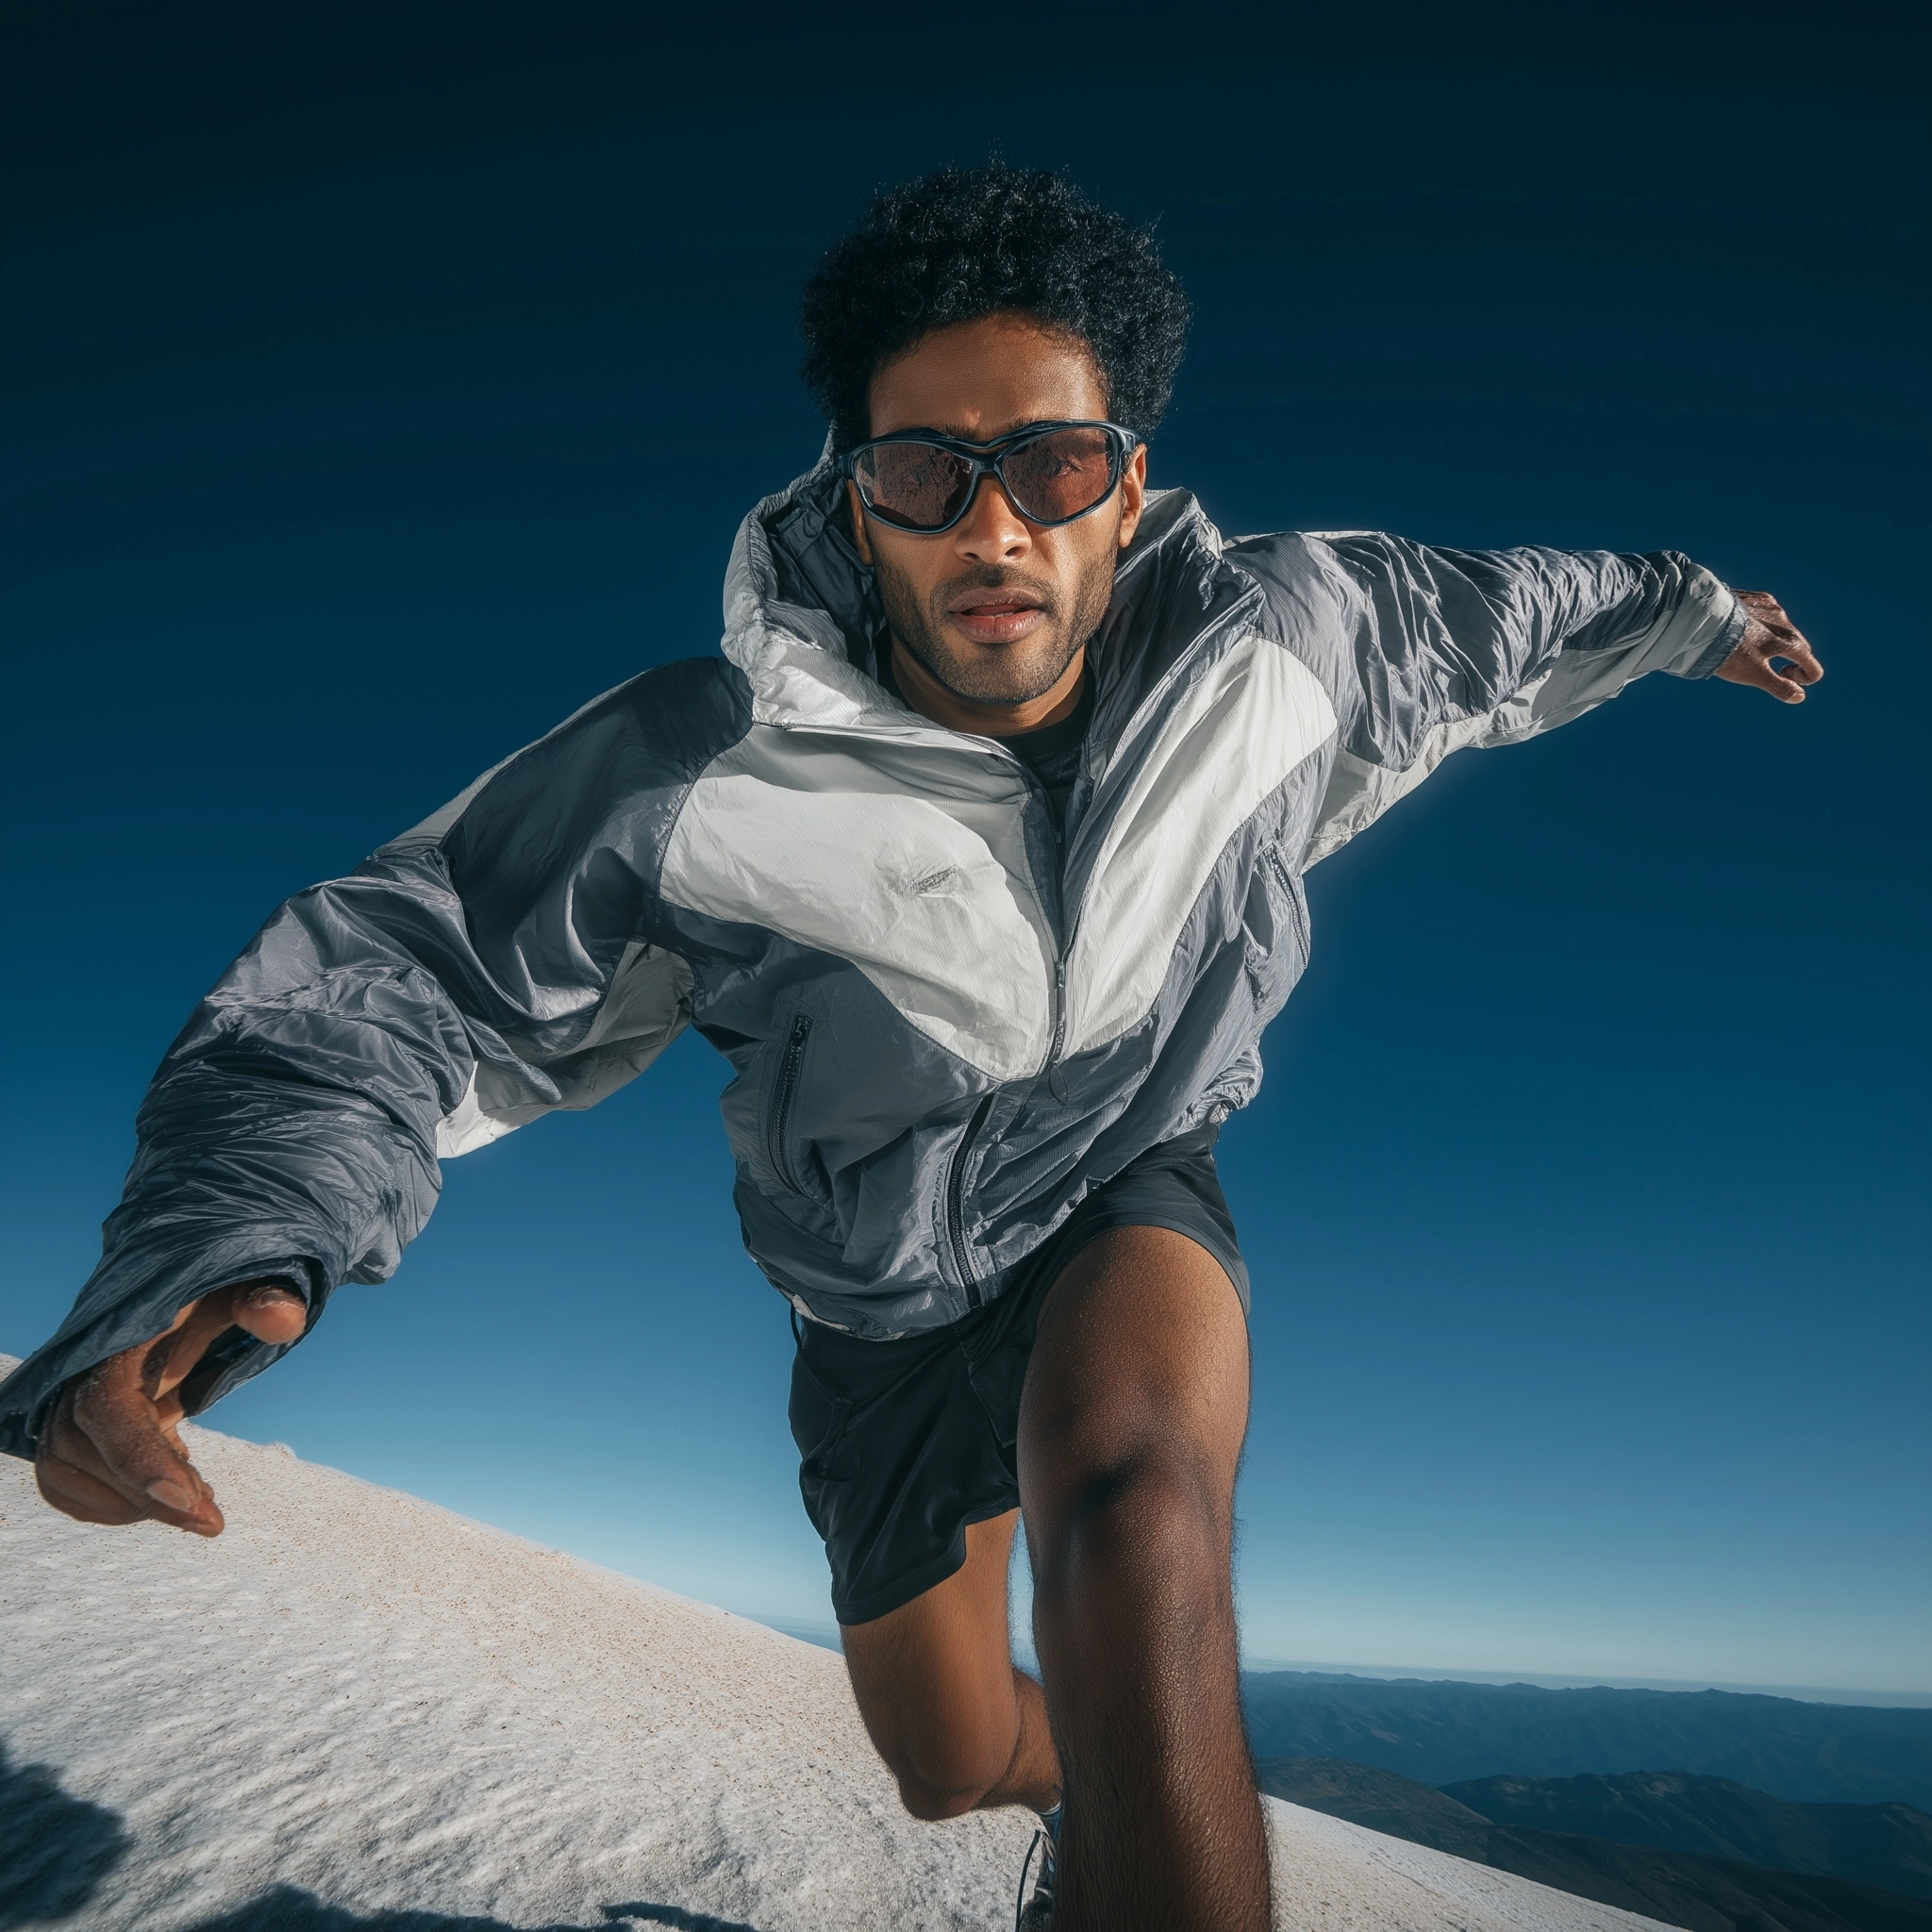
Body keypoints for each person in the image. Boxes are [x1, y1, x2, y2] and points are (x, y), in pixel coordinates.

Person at [1, 162, 1823, 1932]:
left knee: (1142, 1508)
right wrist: (222, 1233)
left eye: (1053, 461)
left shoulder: (1294, 649)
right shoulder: (700, 768)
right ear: (856, 500)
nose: (996, 524)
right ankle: (1085, 1815)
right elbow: (403, 978)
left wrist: (1701, 614)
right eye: (926, 471)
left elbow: (1517, 617)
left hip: (1124, 1177)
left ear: (1129, 489)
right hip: (868, 1306)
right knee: (951, 1761)